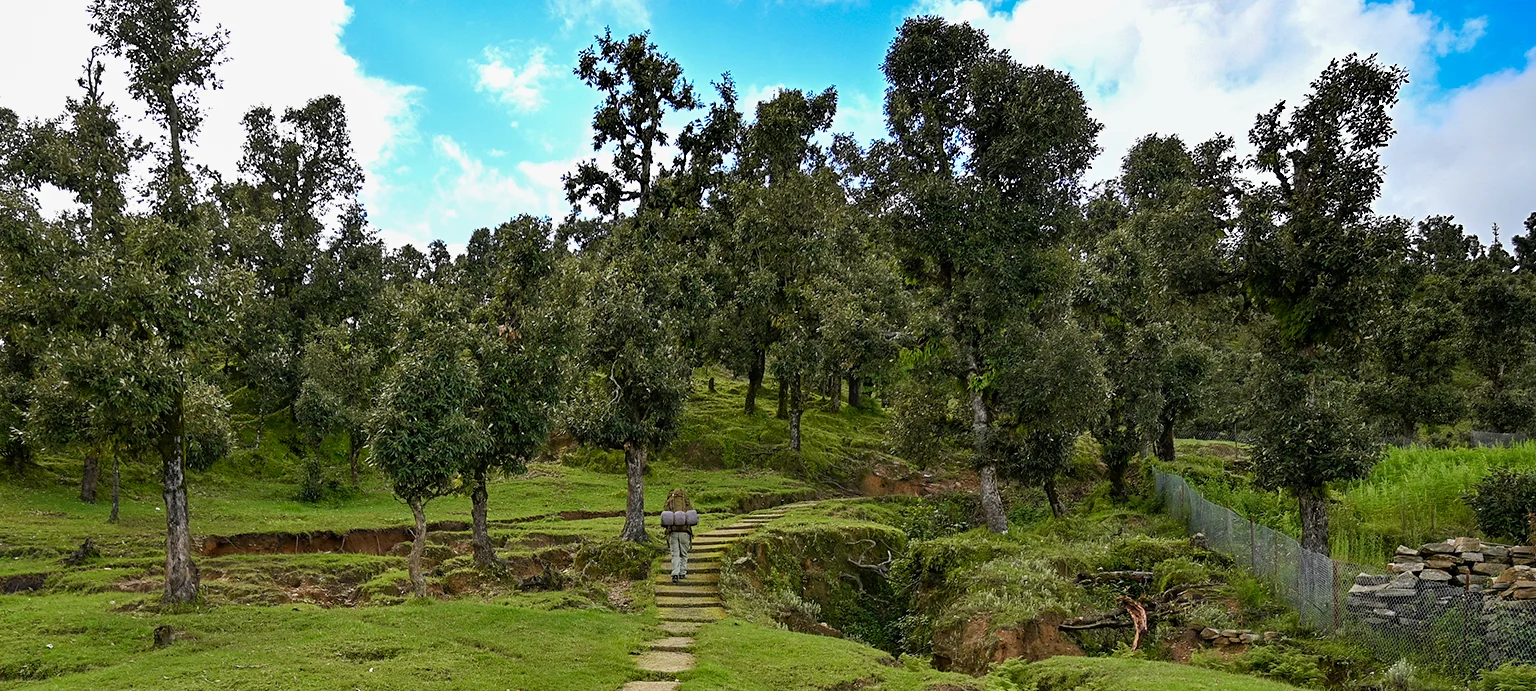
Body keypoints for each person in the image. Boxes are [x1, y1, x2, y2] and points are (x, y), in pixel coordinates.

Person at [664, 488, 693, 583]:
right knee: (684, 554)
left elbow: (665, 516)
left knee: (675, 554)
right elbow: (691, 515)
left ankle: (675, 574)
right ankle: (682, 572)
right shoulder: (686, 502)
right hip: (685, 532)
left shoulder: (669, 502)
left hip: (673, 532)